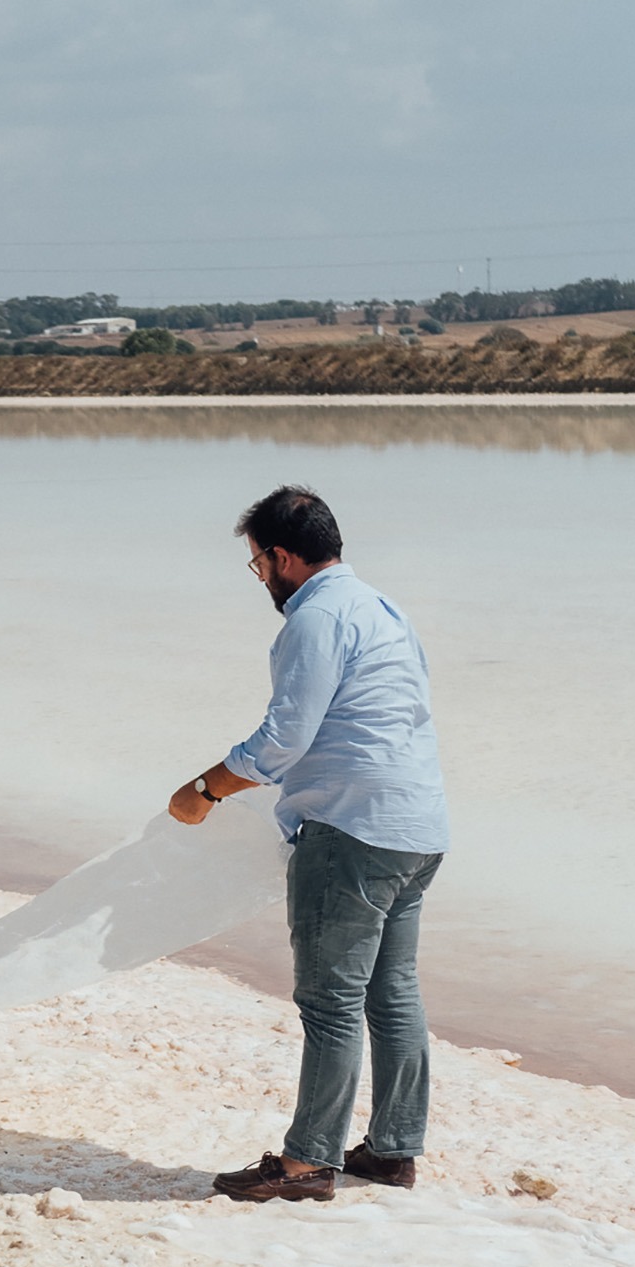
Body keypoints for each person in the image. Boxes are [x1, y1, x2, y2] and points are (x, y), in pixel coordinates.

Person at [169, 485, 448, 1202]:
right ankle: (393, 1151)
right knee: (393, 993)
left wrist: (204, 789)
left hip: (352, 829)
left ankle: (307, 1164)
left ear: (283, 556)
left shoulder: (315, 617)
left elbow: (285, 737)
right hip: (418, 827)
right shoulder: (382, 607)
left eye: (259, 564)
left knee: (330, 1002)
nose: (260, 577)